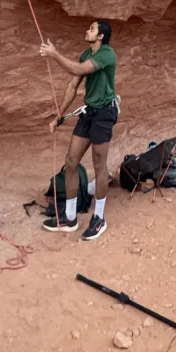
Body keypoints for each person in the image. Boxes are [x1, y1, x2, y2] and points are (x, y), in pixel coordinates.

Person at [38, 20, 117, 242]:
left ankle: (99, 218)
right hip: (89, 112)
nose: (87, 31)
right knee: (71, 162)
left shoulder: (107, 54)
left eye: (92, 29)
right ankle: (70, 218)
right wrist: (59, 116)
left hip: (104, 115)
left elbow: (80, 69)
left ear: (101, 36)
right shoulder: (86, 53)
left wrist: (54, 55)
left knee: (99, 164)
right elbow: (73, 85)